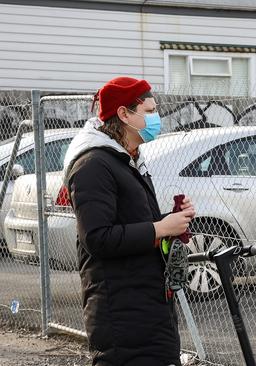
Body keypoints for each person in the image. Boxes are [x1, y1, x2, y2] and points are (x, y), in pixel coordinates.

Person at [62, 76, 195, 366]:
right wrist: (159, 228)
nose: (156, 117)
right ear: (124, 114)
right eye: (149, 111)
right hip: (121, 310)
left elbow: (133, 221)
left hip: (147, 303)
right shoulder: (94, 165)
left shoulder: (130, 159)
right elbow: (97, 237)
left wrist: (172, 220)